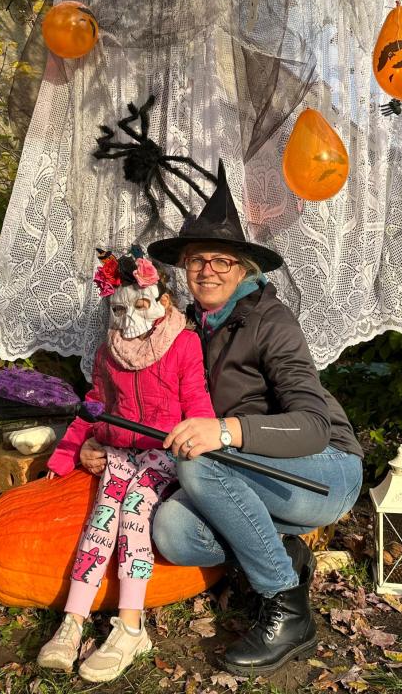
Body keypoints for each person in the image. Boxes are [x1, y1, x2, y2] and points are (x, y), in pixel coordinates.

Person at [149, 163, 364, 676]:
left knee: (200, 462)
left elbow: (312, 425)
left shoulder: (271, 321)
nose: (208, 271)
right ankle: (284, 554)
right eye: (197, 260)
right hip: (251, 474)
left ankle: (287, 611)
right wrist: (102, 438)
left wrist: (225, 431)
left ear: (244, 269)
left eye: (222, 260)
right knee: (173, 531)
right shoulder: (187, 328)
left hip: (324, 470)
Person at [37, 249, 215, 681]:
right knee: (102, 517)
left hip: (162, 453)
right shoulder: (107, 351)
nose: (129, 316)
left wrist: (205, 449)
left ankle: (131, 625)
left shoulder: (183, 344)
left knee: (134, 511)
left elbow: (197, 402)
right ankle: (73, 620)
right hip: (118, 451)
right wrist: (67, 454)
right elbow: (94, 407)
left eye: (140, 304)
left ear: (163, 302)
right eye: (119, 308)